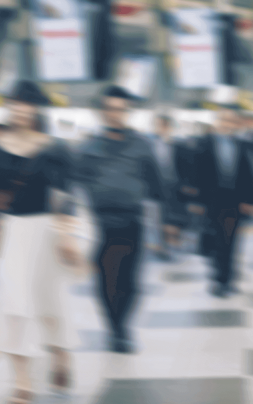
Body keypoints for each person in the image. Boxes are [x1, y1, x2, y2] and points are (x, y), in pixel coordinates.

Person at [0, 81, 81, 404]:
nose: (20, 109)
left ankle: (61, 355)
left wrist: (68, 234)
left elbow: (66, 195)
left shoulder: (55, 148)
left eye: (26, 104)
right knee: (14, 306)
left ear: (37, 108)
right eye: (14, 103)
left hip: (47, 232)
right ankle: (22, 383)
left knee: (51, 302)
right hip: (12, 234)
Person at [75, 86, 182, 353]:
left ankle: (123, 324)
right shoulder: (88, 147)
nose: (115, 114)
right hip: (100, 224)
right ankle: (116, 329)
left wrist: (169, 221)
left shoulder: (141, 145)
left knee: (131, 281)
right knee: (106, 280)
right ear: (101, 112)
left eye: (120, 110)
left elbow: (159, 185)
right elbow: (74, 184)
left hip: (133, 222)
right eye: (110, 109)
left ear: (127, 112)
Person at [192, 105, 253, 298]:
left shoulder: (242, 145)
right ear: (218, 122)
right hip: (211, 200)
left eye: (231, 121)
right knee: (215, 240)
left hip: (235, 201)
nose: (227, 124)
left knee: (230, 240)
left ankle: (226, 280)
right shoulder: (204, 143)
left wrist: (251, 200)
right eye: (224, 120)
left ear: (236, 124)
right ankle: (218, 276)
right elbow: (197, 172)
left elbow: (249, 175)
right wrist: (196, 200)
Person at [146, 114, 183, 261]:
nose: (159, 128)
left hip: (173, 187)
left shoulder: (177, 145)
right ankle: (160, 247)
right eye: (157, 125)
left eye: (162, 125)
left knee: (172, 219)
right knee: (156, 219)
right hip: (155, 188)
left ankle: (170, 245)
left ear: (168, 127)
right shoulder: (150, 144)